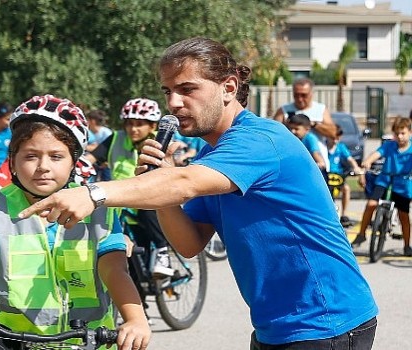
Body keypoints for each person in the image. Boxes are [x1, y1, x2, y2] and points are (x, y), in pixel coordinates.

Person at [19, 37, 378, 349]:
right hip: (277, 324)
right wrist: (160, 187)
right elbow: (190, 243)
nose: (173, 103)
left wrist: (92, 193)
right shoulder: (212, 155)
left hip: (326, 320)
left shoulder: (259, 140)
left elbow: (185, 183)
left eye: (187, 89)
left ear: (228, 87)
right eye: (167, 91)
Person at [0, 94, 150, 350]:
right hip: (7, 338)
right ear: (12, 160)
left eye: (56, 157)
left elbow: (114, 270)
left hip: (87, 341)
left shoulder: (100, 211)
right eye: (30, 156)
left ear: (74, 162)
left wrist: (136, 319)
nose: (43, 166)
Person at [85, 98, 174, 277]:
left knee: (149, 209)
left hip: (147, 201)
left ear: (152, 126)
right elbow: (90, 160)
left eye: (140, 124)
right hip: (119, 203)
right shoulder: (116, 139)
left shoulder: (161, 142)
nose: (133, 129)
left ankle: (163, 253)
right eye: (130, 124)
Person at [352, 117, 412, 257]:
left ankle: (407, 245)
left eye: (403, 133)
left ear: (409, 132)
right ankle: (362, 234)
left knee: (404, 215)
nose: (400, 137)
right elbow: (377, 154)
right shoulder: (389, 145)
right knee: (371, 204)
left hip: (402, 183)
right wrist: (367, 162)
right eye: (397, 134)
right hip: (385, 179)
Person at [273, 77, 336, 171]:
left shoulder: (320, 110)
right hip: (292, 165)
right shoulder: (284, 111)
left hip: (317, 165)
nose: (300, 99)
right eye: (296, 95)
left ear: (311, 94)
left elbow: (333, 133)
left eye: (304, 95)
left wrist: (313, 124)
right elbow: (273, 135)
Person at [327, 123, 363, 226]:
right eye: (333, 137)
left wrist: (356, 167)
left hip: (338, 176)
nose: (335, 140)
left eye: (338, 137)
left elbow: (350, 159)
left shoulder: (340, 147)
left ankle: (344, 214)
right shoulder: (323, 146)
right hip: (326, 175)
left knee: (346, 189)